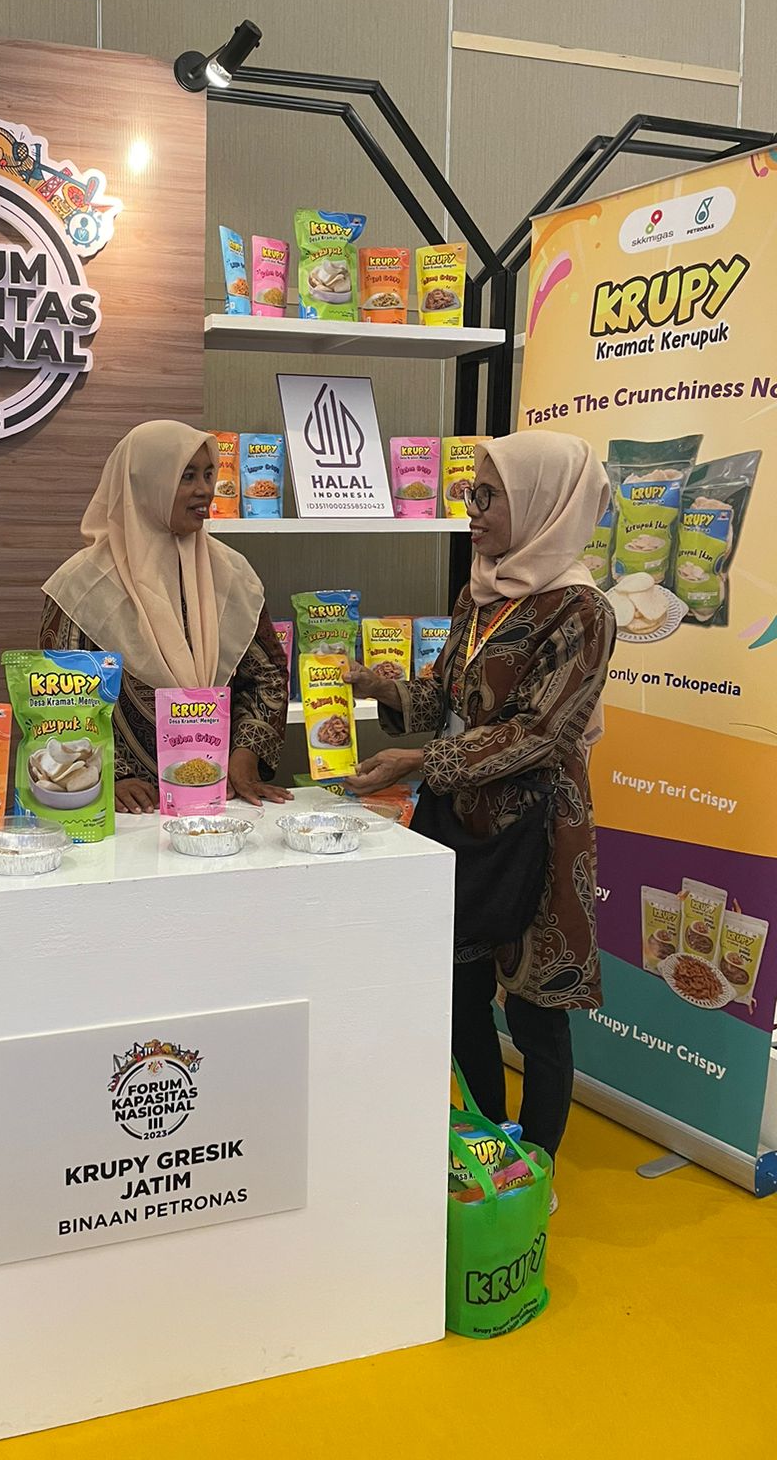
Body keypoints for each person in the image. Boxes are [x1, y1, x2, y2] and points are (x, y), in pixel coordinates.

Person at [344, 430, 613, 1164]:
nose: (473, 509)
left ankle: (539, 1162)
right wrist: (380, 688)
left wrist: (420, 759)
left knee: (535, 1009)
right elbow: (444, 694)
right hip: (458, 815)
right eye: (470, 491)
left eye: (489, 495)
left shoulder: (582, 610)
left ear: (540, 503)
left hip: (538, 828)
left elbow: (541, 732)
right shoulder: (481, 593)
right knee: (460, 991)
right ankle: (487, 1145)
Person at [41, 420, 293, 812]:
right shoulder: (82, 584)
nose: (205, 489)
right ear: (145, 484)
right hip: (125, 808)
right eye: (186, 476)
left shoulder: (231, 573)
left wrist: (243, 758)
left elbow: (267, 674)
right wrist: (108, 776)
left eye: (208, 474)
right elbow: (59, 696)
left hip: (216, 794)